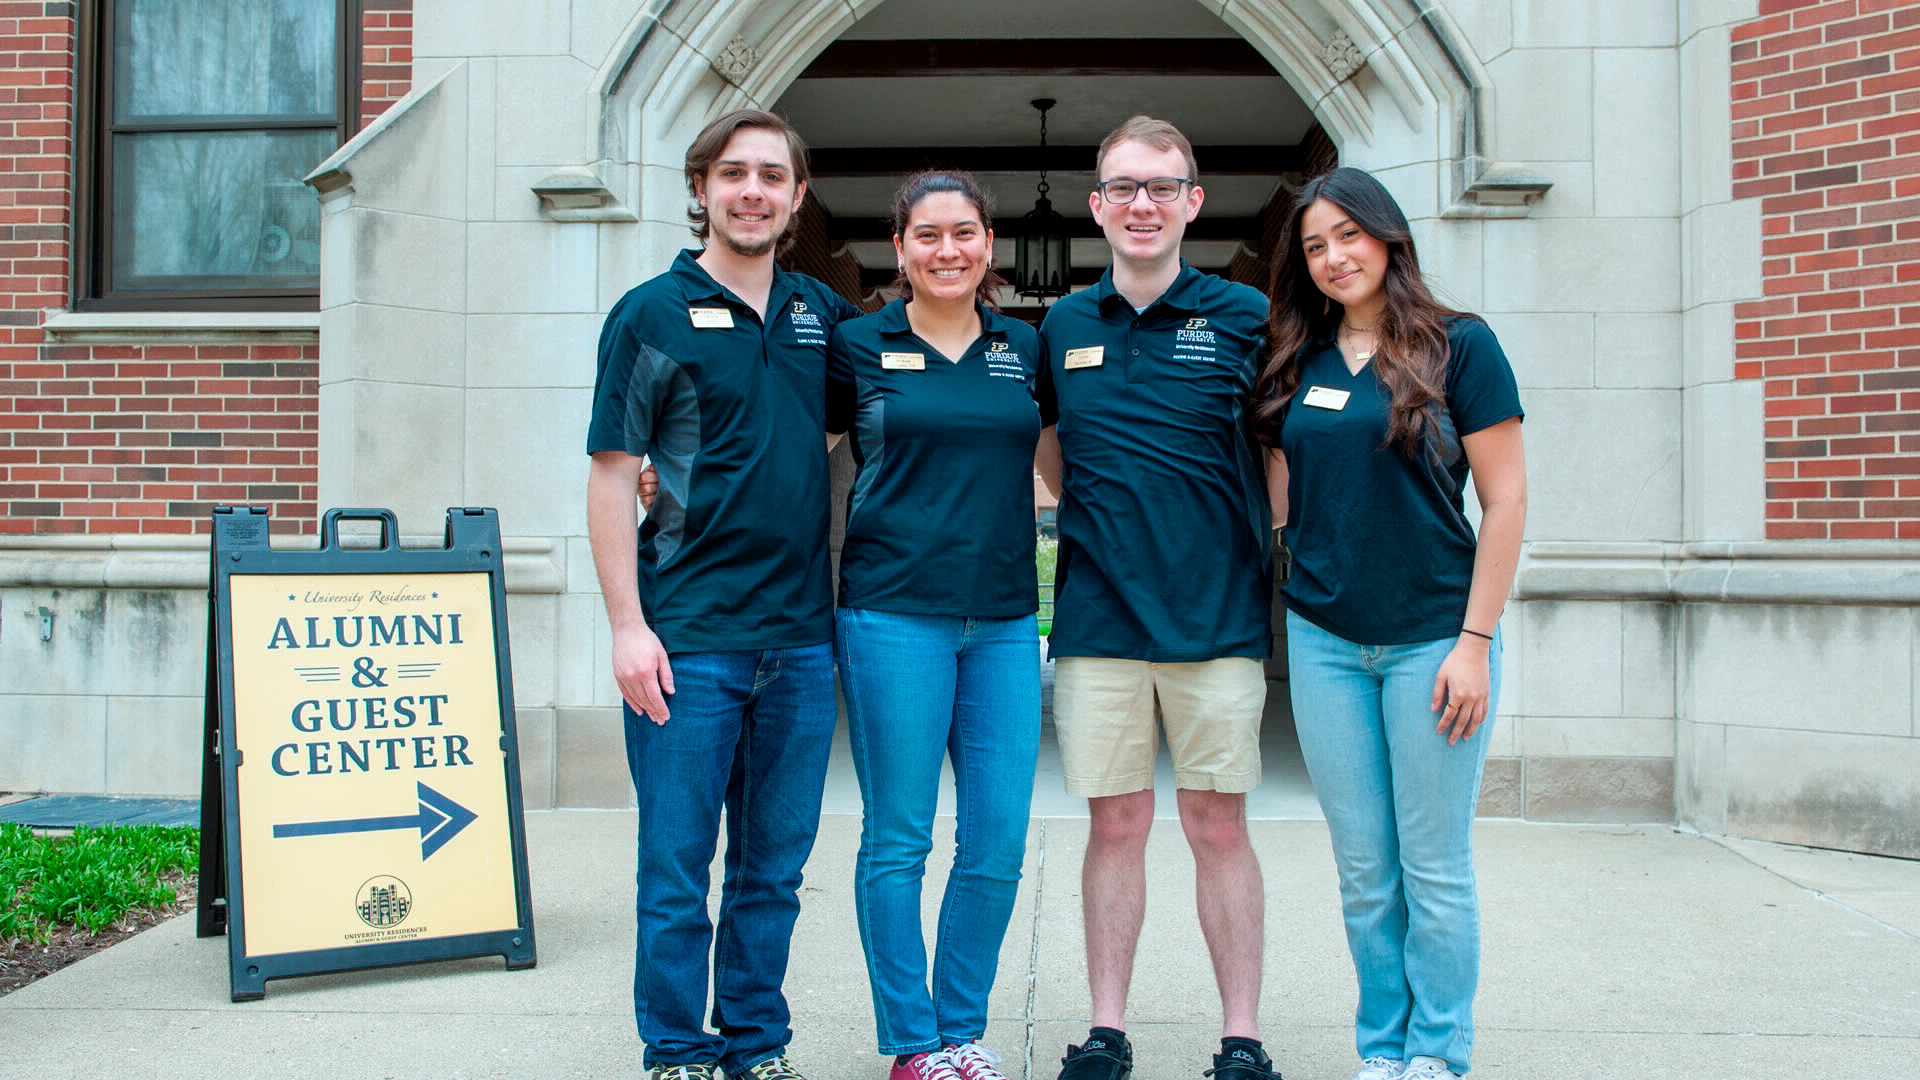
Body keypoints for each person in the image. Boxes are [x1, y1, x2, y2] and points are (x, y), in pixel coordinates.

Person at [584, 108, 862, 1080]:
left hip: (799, 639)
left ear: (795, 197)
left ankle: (756, 1044)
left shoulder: (818, 316)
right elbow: (614, 473)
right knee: (674, 868)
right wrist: (626, 626)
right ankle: (675, 1050)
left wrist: (729, 468)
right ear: (700, 187)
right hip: (687, 639)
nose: (753, 190)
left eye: (772, 176)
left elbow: (832, 423)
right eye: (733, 173)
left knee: (771, 871)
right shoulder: (649, 315)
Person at [1254, 167, 1527, 1080]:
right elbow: (1288, 489)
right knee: (1367, 874)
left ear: (1388, 237)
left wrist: (1475, 644)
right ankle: (1383, 1051)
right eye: (1315, 245)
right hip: (1328, 644)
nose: (1332, 258)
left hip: (1433, 642)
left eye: (1348, 236)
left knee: (1434, 868)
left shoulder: (1462, 347)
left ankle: (1438, 1055)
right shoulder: (1300, 357)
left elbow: (1507, 499)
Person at [1035, 116, 1280, 1080]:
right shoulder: (1063, 326)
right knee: (1117, 825)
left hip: (1217, 623)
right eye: (1125, 187)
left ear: (1192, 202)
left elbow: (1281, 454)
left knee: (1218, 826)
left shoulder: (1246, 317)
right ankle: (1105, 1030)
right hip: (1099, 621)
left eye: (1162, 186)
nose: (1143, 204)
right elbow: (1051, 451)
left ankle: (1242, 1036)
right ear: (1097, 206)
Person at [826, 170, 1045, 1080]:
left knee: (996, 839)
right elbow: (782, 452)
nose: (947, 250)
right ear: (900, 248)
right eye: (927, 235)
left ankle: (962, 1030)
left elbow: (1081, 464)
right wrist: (666, 480)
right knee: (899, 837)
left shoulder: (1025, 348)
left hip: (1003, 623)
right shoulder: (855, 345)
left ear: (988, 244)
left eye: (963, 233)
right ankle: (914, 1044)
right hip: (890, 616)